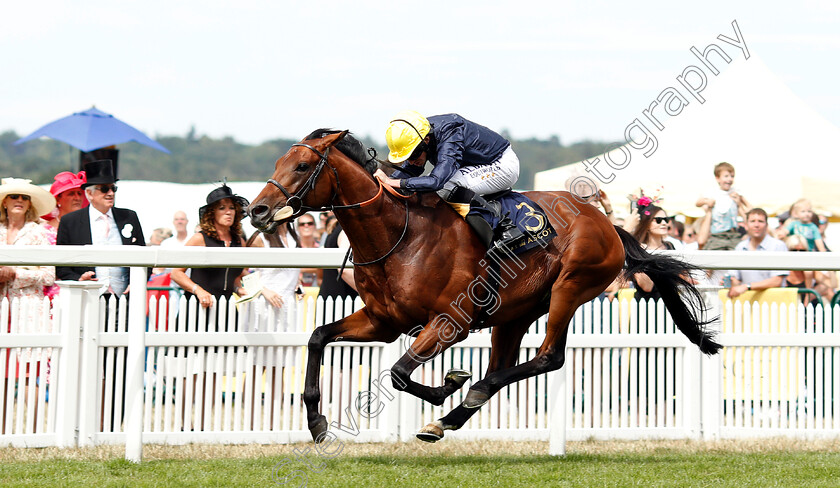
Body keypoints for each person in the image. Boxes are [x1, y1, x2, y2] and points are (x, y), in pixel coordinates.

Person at [375, 111, 524, 249]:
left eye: (412, 156)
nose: (411, 161)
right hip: (478, 165)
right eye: (406, 158)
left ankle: (505, 226)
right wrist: (382, 185)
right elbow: (411, 170)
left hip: (501, 164)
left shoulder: (450, 134)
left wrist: (393, 182)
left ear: (426, 141)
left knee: (446, 186)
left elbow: (436, 181)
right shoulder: (420, 136)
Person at [0, 178, 56, 426]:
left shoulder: (39, 232)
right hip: (2, 305)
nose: (20, 201)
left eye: (24, 198)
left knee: (27, 373)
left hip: (28, 307)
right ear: (4, 202)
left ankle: (32, 431)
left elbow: (49, 274)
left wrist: (16, 273)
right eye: (14, 196)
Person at [56, 159, 146, 296]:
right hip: (87, 296)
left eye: (113, 188)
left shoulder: (129, 217)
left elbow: (144, 256)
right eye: (104, 189)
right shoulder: (70, 221)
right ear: (90, 194)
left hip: (124, 297)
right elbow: (61, 264)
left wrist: (136, 282)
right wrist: (79, 279)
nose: (110, 193)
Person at [170, 183, 249, 311]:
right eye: (222, 208)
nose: (228, 212)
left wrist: (238, 289)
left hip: (226, 309)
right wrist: (198, 290)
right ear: (212, 213)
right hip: (198, 308)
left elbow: (233, 276)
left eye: (232, 208)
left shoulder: (239, 242)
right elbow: (176, 273)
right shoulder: (199, 239)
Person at [726, 208, 788, 299]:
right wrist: (731, 284)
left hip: (774, 304)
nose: (756, 225)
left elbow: (777, 281)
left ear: (766, 225)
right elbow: (735, 279)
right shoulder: (740, 247)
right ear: (746, 225)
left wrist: (747, 286)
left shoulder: (778, 246)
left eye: (760, 221)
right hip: (748, 305)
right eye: (752, 221)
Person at [696, 162, 750, 250]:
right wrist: (707, 201)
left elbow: (750, 208)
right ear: (717, 178)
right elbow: (698, 203)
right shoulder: (713, 192)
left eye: (732, 176)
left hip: (733, 234)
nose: (730, 179)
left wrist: (739, 203)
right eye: (726, 176)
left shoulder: (735, 192)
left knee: (739, 254)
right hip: (718, 235)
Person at [628, 202, 675, 302]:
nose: (664, 223)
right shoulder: (639, 249)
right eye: (658, 220)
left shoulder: (670, 246)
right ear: (647, 223)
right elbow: (647, 286)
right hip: (645, 305)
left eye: (666, 220)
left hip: (669, 305)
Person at [296, 213, 321, 287]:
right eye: (302, 224)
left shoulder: (321, 247)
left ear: (315, 226)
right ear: (297, 228)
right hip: (298, 289)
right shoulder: (293, 248)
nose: (306, 226)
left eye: (310, 223)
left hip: (318, 289)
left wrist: (301, 269)